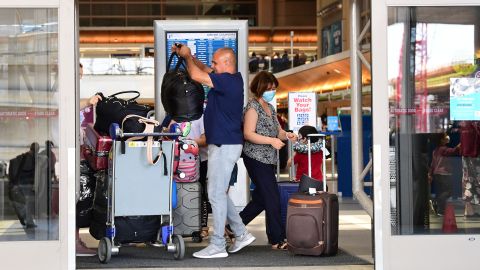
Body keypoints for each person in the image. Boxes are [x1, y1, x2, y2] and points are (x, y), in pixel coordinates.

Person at [172, 43, 255, 258]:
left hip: (224, 145)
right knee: (218, 193)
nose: (212, 65)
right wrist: (190, 56)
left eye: (215, 62)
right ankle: (241, 233)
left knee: (215, 195)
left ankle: (218, 245)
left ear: (227, 63)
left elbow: (195, 74)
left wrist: (188, 56)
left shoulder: (229, 82)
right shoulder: (227, 79)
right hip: (222, 144)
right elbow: (203, 69)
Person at [239, 71, 297, 250]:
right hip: (255, 157)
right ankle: (277, 239)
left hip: (268, 158)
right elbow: (248, 134)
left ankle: (233, 227)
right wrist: (271, 141)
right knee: (272, 197)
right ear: (260, 88)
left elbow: (277, 130)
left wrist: (286, 135)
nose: (272, 91)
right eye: (269, 88)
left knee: (262, 198)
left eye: (274, 89)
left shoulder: (270, 108)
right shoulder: (252, 107)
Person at [427, 133, 460, 216]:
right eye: (445, 136)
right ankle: (439, 207)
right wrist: (460, 145)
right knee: (448, 191)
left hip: (437, 174)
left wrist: (430, 174)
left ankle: (439, 208)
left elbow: (432, 164)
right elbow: (454, 151)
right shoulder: (443, 149)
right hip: (445, 174)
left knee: (441, 192)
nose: (447, 137)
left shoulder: (435, 151)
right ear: (441, 140)